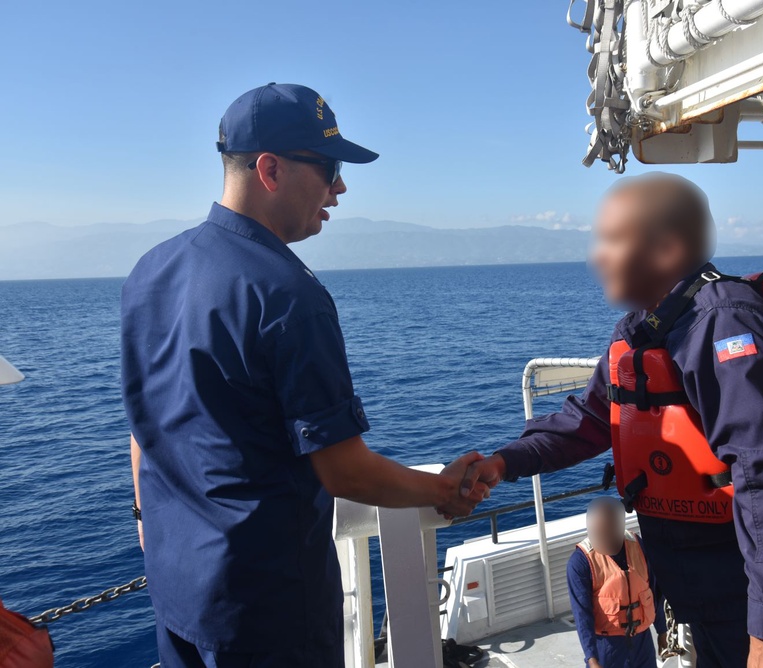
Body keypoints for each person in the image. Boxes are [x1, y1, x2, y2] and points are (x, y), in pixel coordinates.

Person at [121, 83, 490, 668]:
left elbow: (144, 426)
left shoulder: (151, 270)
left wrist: (146, 519)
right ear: (269, 169)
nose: (339, 189)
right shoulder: (288, 294)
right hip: (266, 612)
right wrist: (446, 491)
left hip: (177, 591)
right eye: (328, 169)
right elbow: (345, 472)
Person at [462, 173, 763, 668]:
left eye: (612, 241)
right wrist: (503, 462)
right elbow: (591, 417)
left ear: (666, 249)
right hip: (710, 591)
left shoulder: (724, 323)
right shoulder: (644, 330)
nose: (597, 257)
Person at [569, 497, 669, 668]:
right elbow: (582, 614)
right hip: (607, 647)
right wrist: (591, 658)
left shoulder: (638, 547)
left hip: (642, 642)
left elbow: (653, 591)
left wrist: (662, 631)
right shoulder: (580, 563)